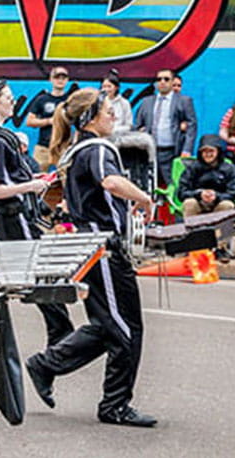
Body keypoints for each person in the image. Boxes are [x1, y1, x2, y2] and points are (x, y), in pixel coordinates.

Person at [26, 88, 159, 428]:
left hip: (96, 248)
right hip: (103, 249)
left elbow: (65, 197)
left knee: (109, 326)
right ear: (89, 119)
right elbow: (111, 181)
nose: (113, 115)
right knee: (124, 329)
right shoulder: (98, 147)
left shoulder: (76, 151)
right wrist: (144, 198)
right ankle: (113, 404)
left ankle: (47, 364)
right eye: (107, 111)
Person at [0, 81, 73, 346]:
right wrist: (30, 185)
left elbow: (6, 179)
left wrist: (32, 178)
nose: (13, 101)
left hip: (13, 214)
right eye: (8, 97)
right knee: (38, 275)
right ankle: (62, 337)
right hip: (13, 215)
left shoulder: (1, 136)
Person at [134, 69, 197, 190]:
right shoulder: (146, 102)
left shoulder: (184, 101)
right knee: (148, 186)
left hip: (173, 151)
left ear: (172, 81)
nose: (162, 82)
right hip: (150, 152)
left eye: (166, 79)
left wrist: (187, 149)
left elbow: (192, 125)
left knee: (174, 186)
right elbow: (138, 124)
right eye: (159, 79)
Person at [24, 66, 71, 172]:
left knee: (66, 179)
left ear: (67, 80)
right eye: (57, 77)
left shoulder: (70, 100)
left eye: (63, 78)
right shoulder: (42, 99)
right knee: (37, 177)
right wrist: (49, 121)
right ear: (50, 79)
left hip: (63, 147)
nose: (60, 80)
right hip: (43, 148)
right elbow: (29, 121)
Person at [180, 135, 235, 219]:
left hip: (219, 203)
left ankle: (222, 232)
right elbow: (182, 192)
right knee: (189, 203)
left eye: (211, 151)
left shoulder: (229, 169)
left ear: (218, 151)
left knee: (228, 205)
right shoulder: (192, 168)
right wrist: (199, 194)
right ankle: (193, 231)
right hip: (198, 202)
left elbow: (232, 192)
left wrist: (216, 196)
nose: (208, 154)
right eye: (205, 151)